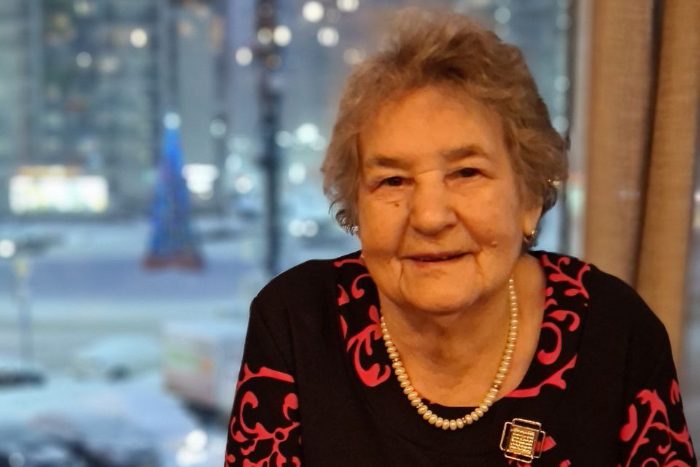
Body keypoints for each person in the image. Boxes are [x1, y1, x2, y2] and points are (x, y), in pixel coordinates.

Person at [225, 9, 696, 466]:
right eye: (392, 180)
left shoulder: (614, 332)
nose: (430, 217)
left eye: (467, 172)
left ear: (529, 197)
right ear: (357, 209)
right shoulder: (297, 323)